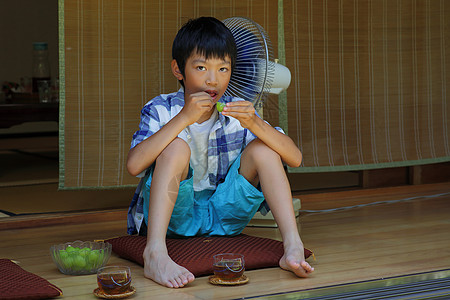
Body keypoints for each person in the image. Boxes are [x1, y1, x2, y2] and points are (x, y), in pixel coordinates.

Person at [126, 16, 314, 288]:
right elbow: (134, 166)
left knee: (264, 149)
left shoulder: (238, 109)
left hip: (226, 216)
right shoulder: (160, 109)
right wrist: (183, 118)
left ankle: (293, 244)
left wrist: (256, 123)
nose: (213, 80)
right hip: (175, 218)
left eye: (223, 69)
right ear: (178, 70)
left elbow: (294, 159)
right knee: (176, 147)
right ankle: (155, 252)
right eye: (201, 67)